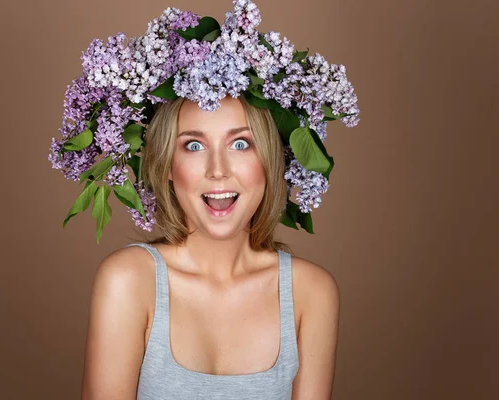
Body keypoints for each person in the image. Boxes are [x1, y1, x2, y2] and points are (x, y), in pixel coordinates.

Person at [80, 95, 341, 399]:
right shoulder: (128, 281)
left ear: (269, 160)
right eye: (194, 145)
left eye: (241, 144)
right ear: (167, 165)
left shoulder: (311, 293)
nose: (218, 170)